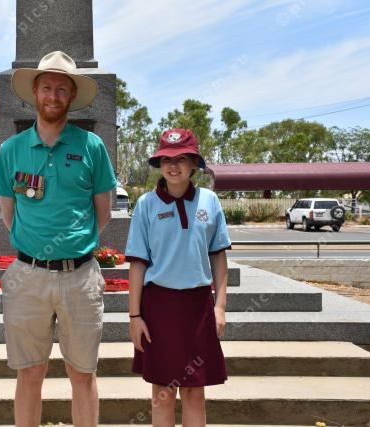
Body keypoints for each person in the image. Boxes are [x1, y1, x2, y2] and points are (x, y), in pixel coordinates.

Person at [0, 50, 117, 427]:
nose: (53, 95)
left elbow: (103, 212)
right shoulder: (11, 150)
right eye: (46, 87)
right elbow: (9, 214)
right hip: (28, 277)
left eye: (62, 89)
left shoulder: (91, 147)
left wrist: (72, 247)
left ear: (72, 95)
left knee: (83, 373)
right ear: (34, 92)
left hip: (80, 277)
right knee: (30, 372)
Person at [125, 129, 231, 427]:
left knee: (195, 392)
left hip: (198, 306)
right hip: (158, 307)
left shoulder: (209, 200)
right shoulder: (147, 204)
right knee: (163, 392)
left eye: (182, 158)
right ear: (159, 164)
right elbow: (137, 264)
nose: (173, 166)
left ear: (194, 163)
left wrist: (220, 306)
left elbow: (218, 256)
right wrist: (134, 316)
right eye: (166, 159)